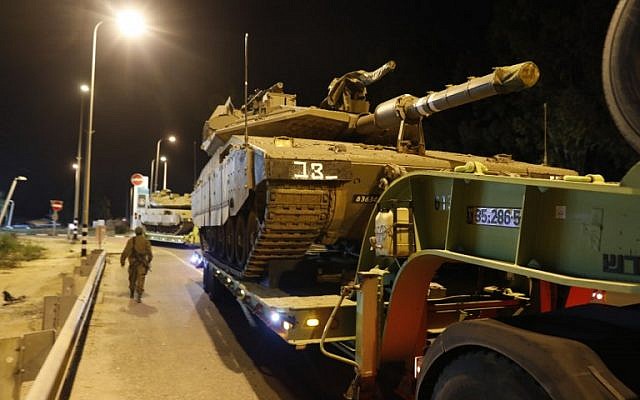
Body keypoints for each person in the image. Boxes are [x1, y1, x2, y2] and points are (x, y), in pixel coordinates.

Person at [120, 226, 153, 302]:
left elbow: (125, 252)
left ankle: (132, 293)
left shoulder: (131, 240)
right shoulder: (146, 241)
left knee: (132, 278)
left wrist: (122, 261)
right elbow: (150, 254)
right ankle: (139, 295)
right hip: (142, 264)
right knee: (141, 278)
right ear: (142, 232)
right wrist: (148, 262)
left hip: (133, 263)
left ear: (135, 232)